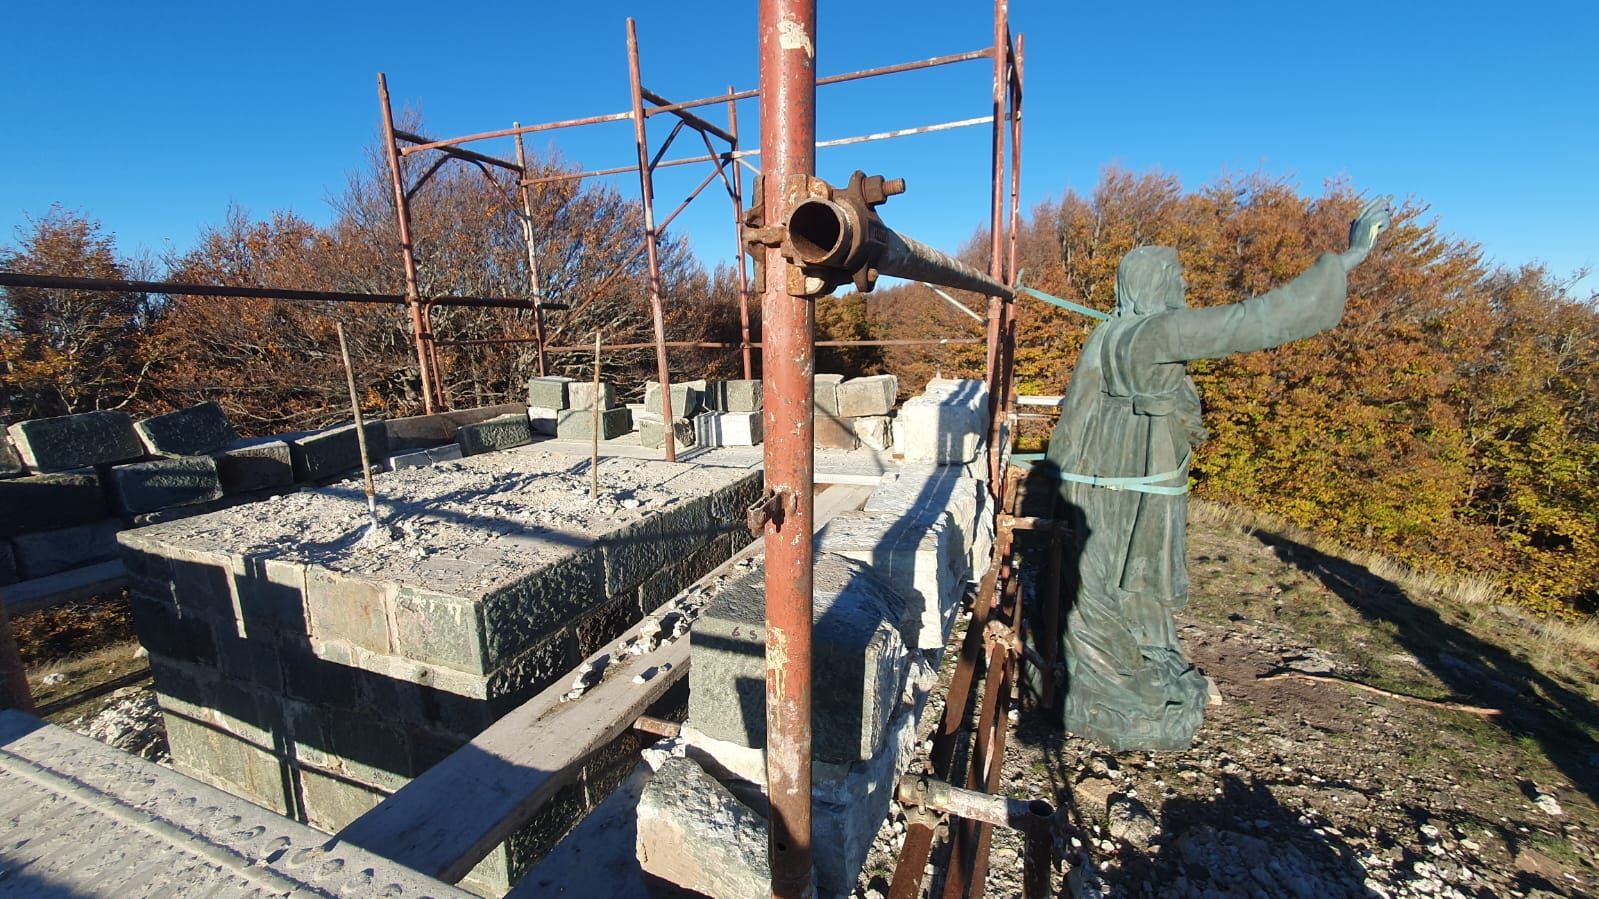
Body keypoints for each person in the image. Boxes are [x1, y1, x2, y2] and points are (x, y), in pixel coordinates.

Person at [1044, 197, 1393, 750]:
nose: (1181, 285)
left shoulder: (1111, 333)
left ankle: (1130, 661)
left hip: (1107, 472)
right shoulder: (1150, 335)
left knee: (1122, 573)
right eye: (1174, 277)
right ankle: (1121, 680)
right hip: (1127, 476)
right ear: (1155, 283)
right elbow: (1248, 323)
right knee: (1127, 575)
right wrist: (1347, 261)